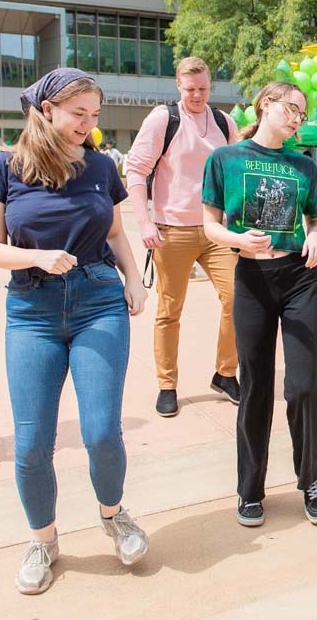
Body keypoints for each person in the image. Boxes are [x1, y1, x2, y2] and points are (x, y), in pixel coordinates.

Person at [0, 68, 150, 595]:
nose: (88, 124)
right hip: (32, 308)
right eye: (79, 113)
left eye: (94, 115)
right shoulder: (4, 167)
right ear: (46, 109)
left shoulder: (100, 165)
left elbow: (115, 231)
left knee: (101, 432)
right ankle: (43, 541)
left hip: (99, 301)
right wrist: (36, 257)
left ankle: (114, 516)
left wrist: (133, 279)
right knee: (32, 443)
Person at [201, 81, 317, 528]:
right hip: (252, 279)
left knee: (304, 386)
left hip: (299, 279)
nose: (296, 118)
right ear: (266, 105)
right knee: (255, 388)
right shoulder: (225, 159)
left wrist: (316, 237)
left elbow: (316, 220)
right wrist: (238, 240)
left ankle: (310, 478)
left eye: (302, 113)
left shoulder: (303, 165)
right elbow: (209, 225)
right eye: (291, 108)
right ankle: (250, 488)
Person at [125, 56, 241, 418]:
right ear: (178, 85)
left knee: (238, 298)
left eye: (203, 89)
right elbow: (135, 171)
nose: (197, 95)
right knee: (169, 310)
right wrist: (145, 222)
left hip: (216, 228)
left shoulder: (223, 121)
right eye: (190, 89)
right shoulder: (164, 119)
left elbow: (237, 170)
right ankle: (167, 384)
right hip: (172, 229)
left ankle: (226, 373)